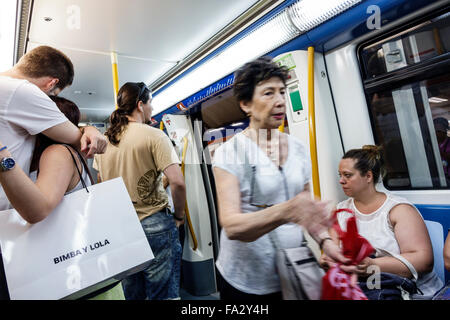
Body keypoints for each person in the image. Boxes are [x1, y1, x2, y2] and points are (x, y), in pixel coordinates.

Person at [212, 56, 351, 301]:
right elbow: (232, 226)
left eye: (282, 92)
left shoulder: (297, 148)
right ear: (246, 104)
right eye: (268, 93)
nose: (279, 101)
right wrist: (287, 211)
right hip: (246, 282)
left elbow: (306, 208)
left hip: (293, 270)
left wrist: (326, 241)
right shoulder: (229, 153)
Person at [0, 96, 124, 299]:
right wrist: (87, 129)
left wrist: (2, 156)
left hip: (76, 282)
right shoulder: (60, 152)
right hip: (80, 277)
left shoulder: (56, 152)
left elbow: (38, 209)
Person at [93, 82, 186, 300]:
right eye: (150, 103)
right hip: (154, 223)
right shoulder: (154, 136)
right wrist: (179, 217)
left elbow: (102, 184)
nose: (152, 108)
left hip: (122, 227)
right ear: (140, 104)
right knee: (162, 294)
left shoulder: (104, 140)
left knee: (132, 292)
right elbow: (178, 183)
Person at [321, 145, 443, 298]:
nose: (341, 181)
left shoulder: (398, 210)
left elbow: (423, 260)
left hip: (406, 288)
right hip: (364, 285)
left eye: (347, 175)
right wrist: (329, 260)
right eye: (340, 175)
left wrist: (373, 266)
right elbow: (334, 251)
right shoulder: (340, 212)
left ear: (368, 176)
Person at [0, 45, 107, 216]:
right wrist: (91, 131)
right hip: (9, 216)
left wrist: (89, 127)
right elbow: (82, 142)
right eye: (53, 96)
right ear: (52, 83)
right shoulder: (21, 90)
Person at [433, 117, 450, 182]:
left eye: (439, 131)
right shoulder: (433, 142)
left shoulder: (448, 142)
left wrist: (437, 151)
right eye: (435, 131)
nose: (436, 134)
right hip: (438, 177)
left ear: (445, 132)